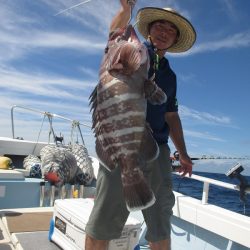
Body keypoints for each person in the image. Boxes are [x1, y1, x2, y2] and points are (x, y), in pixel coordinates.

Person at [85, 1, 196, 249]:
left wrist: (184, 154)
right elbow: (114, 34)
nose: (164, 31)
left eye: (171, 29)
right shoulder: (127, 51)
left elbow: (171, 115)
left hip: (156, 150)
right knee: (103, 221)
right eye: (159, 26)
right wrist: (125, 11)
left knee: (160, 223)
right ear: (149, 30)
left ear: (175, 39)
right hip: (120, 146)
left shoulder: (170, 74)